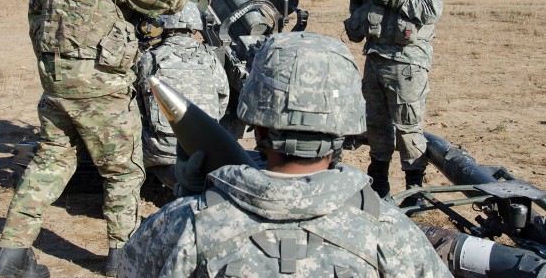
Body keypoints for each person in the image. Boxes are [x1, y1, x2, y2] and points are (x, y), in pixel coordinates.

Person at [116, 31, 452, 277]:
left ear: (257, 126)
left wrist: (186, 198)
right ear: (344, 130)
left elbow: (127, 269)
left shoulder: (183, 225)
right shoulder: (391, 232)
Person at [0, 0, 189, 278]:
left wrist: (58, 66)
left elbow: (35, 19)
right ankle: (123, 259)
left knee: (49, 163)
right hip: (101, 90)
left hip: (57, 86)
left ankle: (10, 253)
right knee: (123, 172)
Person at [345, 0, 444, 208]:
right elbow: (359, 13)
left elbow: (429, 11)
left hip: (406, 63)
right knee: (376, 125)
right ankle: (379, 182)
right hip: (375, 58)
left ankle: (415, 193)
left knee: (408, 126)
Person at [135, 1, 229, 189]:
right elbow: (223, 98)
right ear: (195, 26)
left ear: (166, 25)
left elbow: (138, 103)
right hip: (203, 147)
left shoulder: (151, 58)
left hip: (161, 148)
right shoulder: (210, 58)